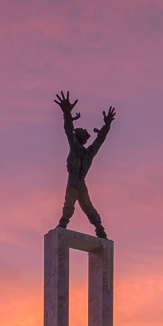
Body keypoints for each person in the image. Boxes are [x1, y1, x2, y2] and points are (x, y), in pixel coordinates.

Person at [54, 91, 115, 238]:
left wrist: (67, 113)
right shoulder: (88, 154)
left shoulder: (76, 148)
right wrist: (107, 125)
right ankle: (100, 229)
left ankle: (63, 224)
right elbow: (100, 139)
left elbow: (68, 130)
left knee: (70, 204)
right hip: (81, 184)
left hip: (75, 183)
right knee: (88, 207)